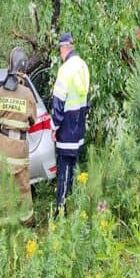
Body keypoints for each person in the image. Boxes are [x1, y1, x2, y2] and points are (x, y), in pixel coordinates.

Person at [0, 47, 37, 226]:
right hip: (19, 149)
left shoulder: (1, 92)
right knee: (24, 188)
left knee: (6, 190)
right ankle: (27, 223)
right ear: (23, 68)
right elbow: (33, 120)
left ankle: (9, 226)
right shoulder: (27, 94)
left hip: (3, 149)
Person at [51, 32, 90, 213]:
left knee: (64, 170)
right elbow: (86, 100)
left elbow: (58, 102)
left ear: (64, 48)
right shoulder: (83, 66)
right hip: (78, 127)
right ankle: (73, 203)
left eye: (60, 48)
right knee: (74, 168)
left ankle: (61, 210)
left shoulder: (65, 70)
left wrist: (54, 127)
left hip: (66, 128)